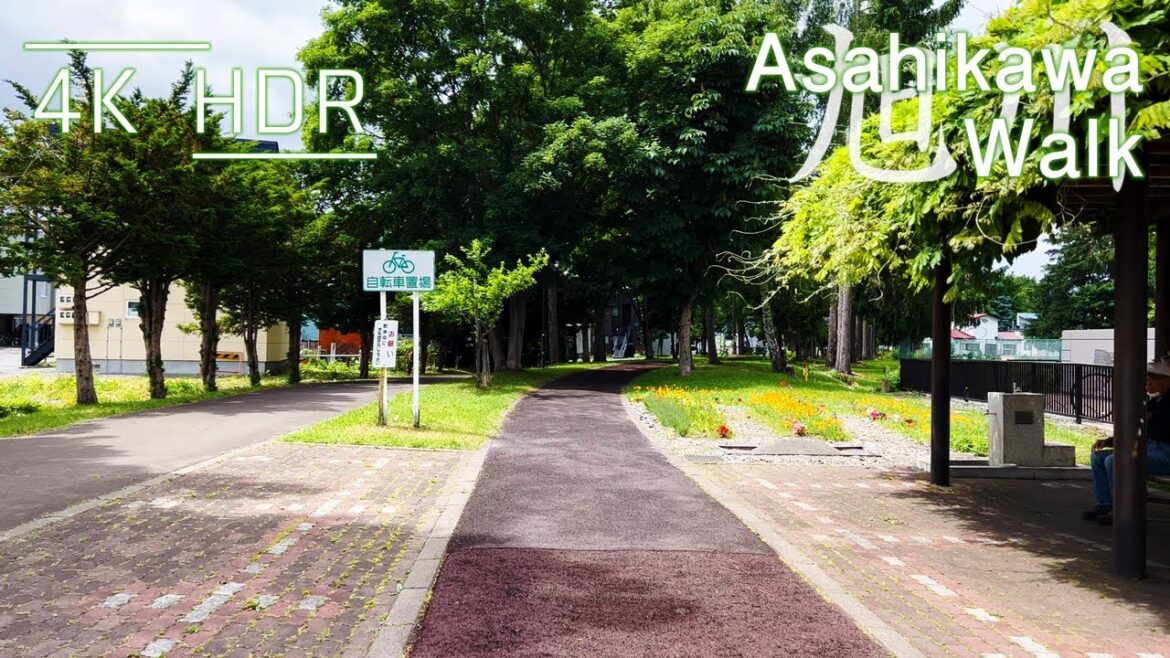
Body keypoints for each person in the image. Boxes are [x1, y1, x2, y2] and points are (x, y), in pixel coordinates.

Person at [1084, 358, 1170, 525]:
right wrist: (1110, 441)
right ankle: (1104, 503)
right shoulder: (1154, 402)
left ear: (1166, 381)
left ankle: (1123, 511)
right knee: (1098, 458)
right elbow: (1136, 432)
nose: (1148, 383)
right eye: (1147, 379)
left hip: (1166, 453)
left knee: (1114, 461)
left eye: (1153, 379)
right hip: (1151, 448)